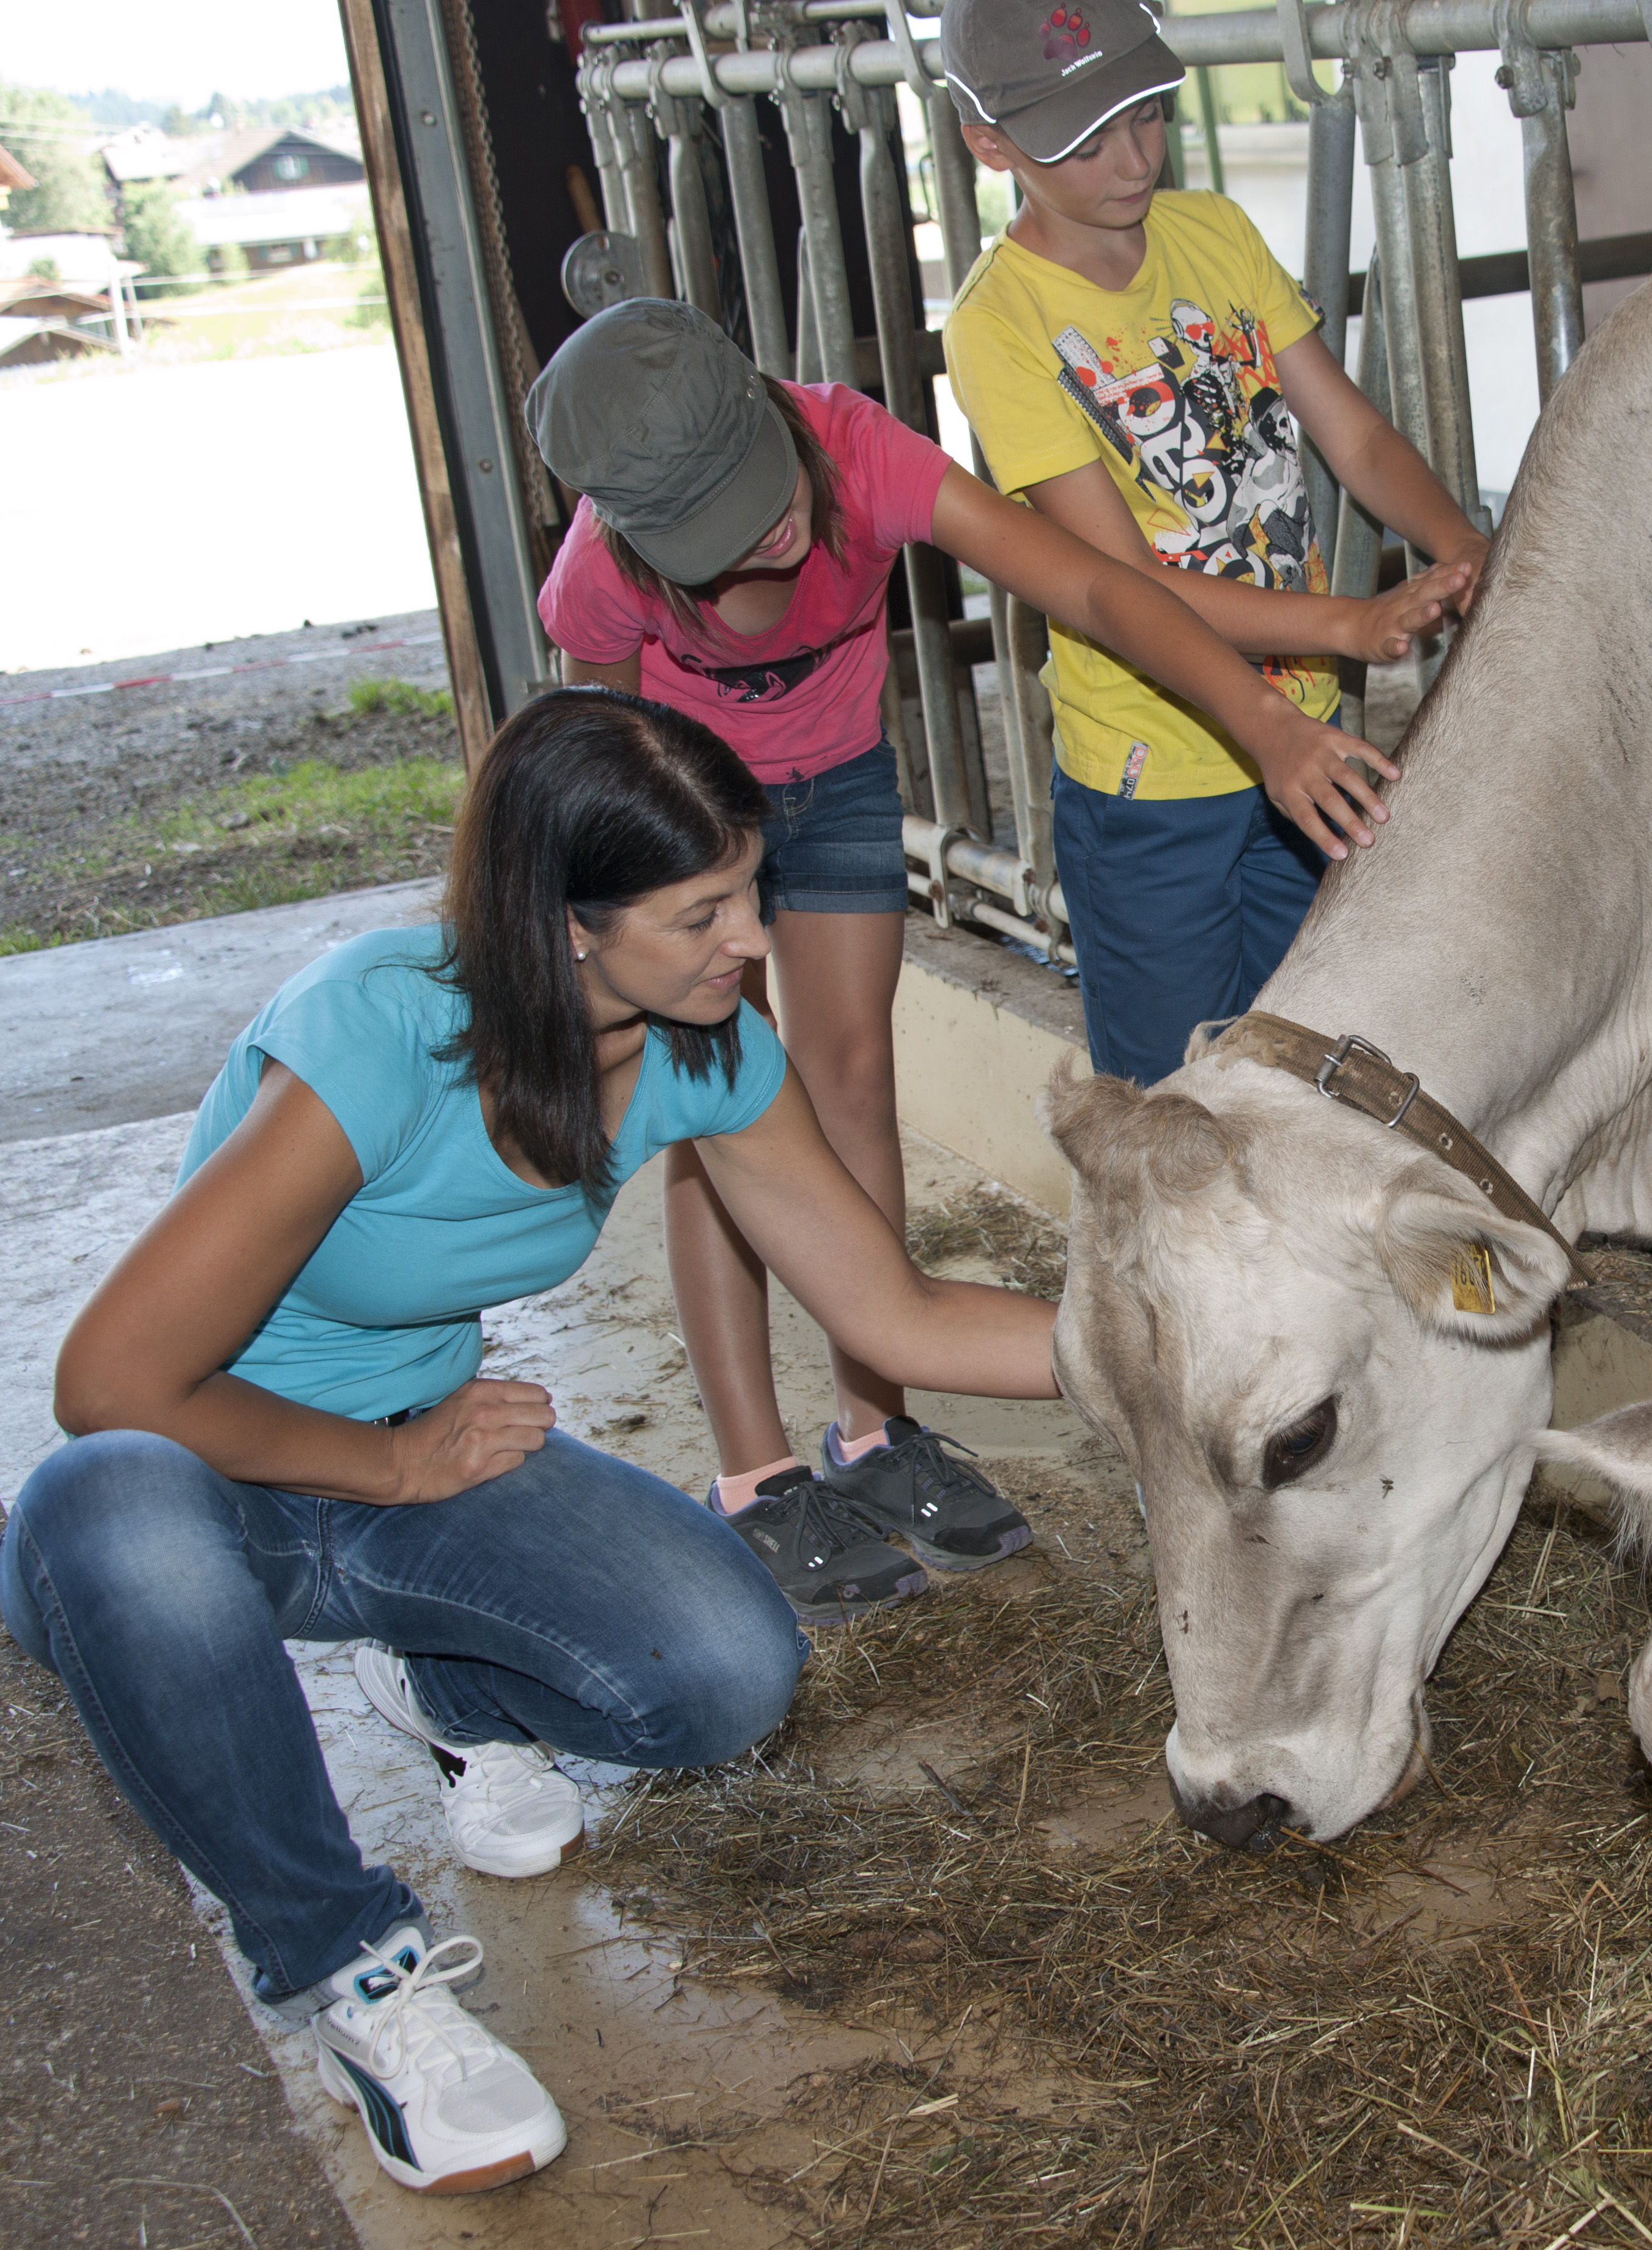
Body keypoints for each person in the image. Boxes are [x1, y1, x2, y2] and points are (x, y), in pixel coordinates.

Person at [0, 689, 1059, 2196]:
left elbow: (897, 1309)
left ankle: (446, 1682)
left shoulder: (704, 1051)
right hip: (223, 1481)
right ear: (566, 925)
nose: (748, 939)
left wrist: (1154, 1343)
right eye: (698, 913)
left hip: (426, 1472)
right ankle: (351, 1976)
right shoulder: (379, 1033)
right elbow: (108, 1381)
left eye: (748, 891)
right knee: (109, 1511)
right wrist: (390, 1466)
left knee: (728, 1673)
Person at [526, 297, 1410, 1610]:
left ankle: (873, 1427)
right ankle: (753, 1473)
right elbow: (600, 751)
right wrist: (649, 918)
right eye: (706, 530)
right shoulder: (603, 573)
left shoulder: (856, 453)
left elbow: (1097, 584)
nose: (758, 533)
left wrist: (1268, 719)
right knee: (712, 1110)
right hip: (692, 825)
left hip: (835, 783)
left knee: (850, 1075)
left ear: (766, 407)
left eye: (754, 491)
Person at [937, 0, 1492, 1088]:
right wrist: (1349, 621)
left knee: (1326, 1067)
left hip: (1312, 735)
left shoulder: (1215, 235)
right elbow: (1125, 583)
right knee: (1177, 1103)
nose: (1131, 159)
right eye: (1085, 142)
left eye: (1145, 115)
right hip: (1153, 779)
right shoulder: (997, 325)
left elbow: (1356, 434)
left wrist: (1464, 547)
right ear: (988, 145)